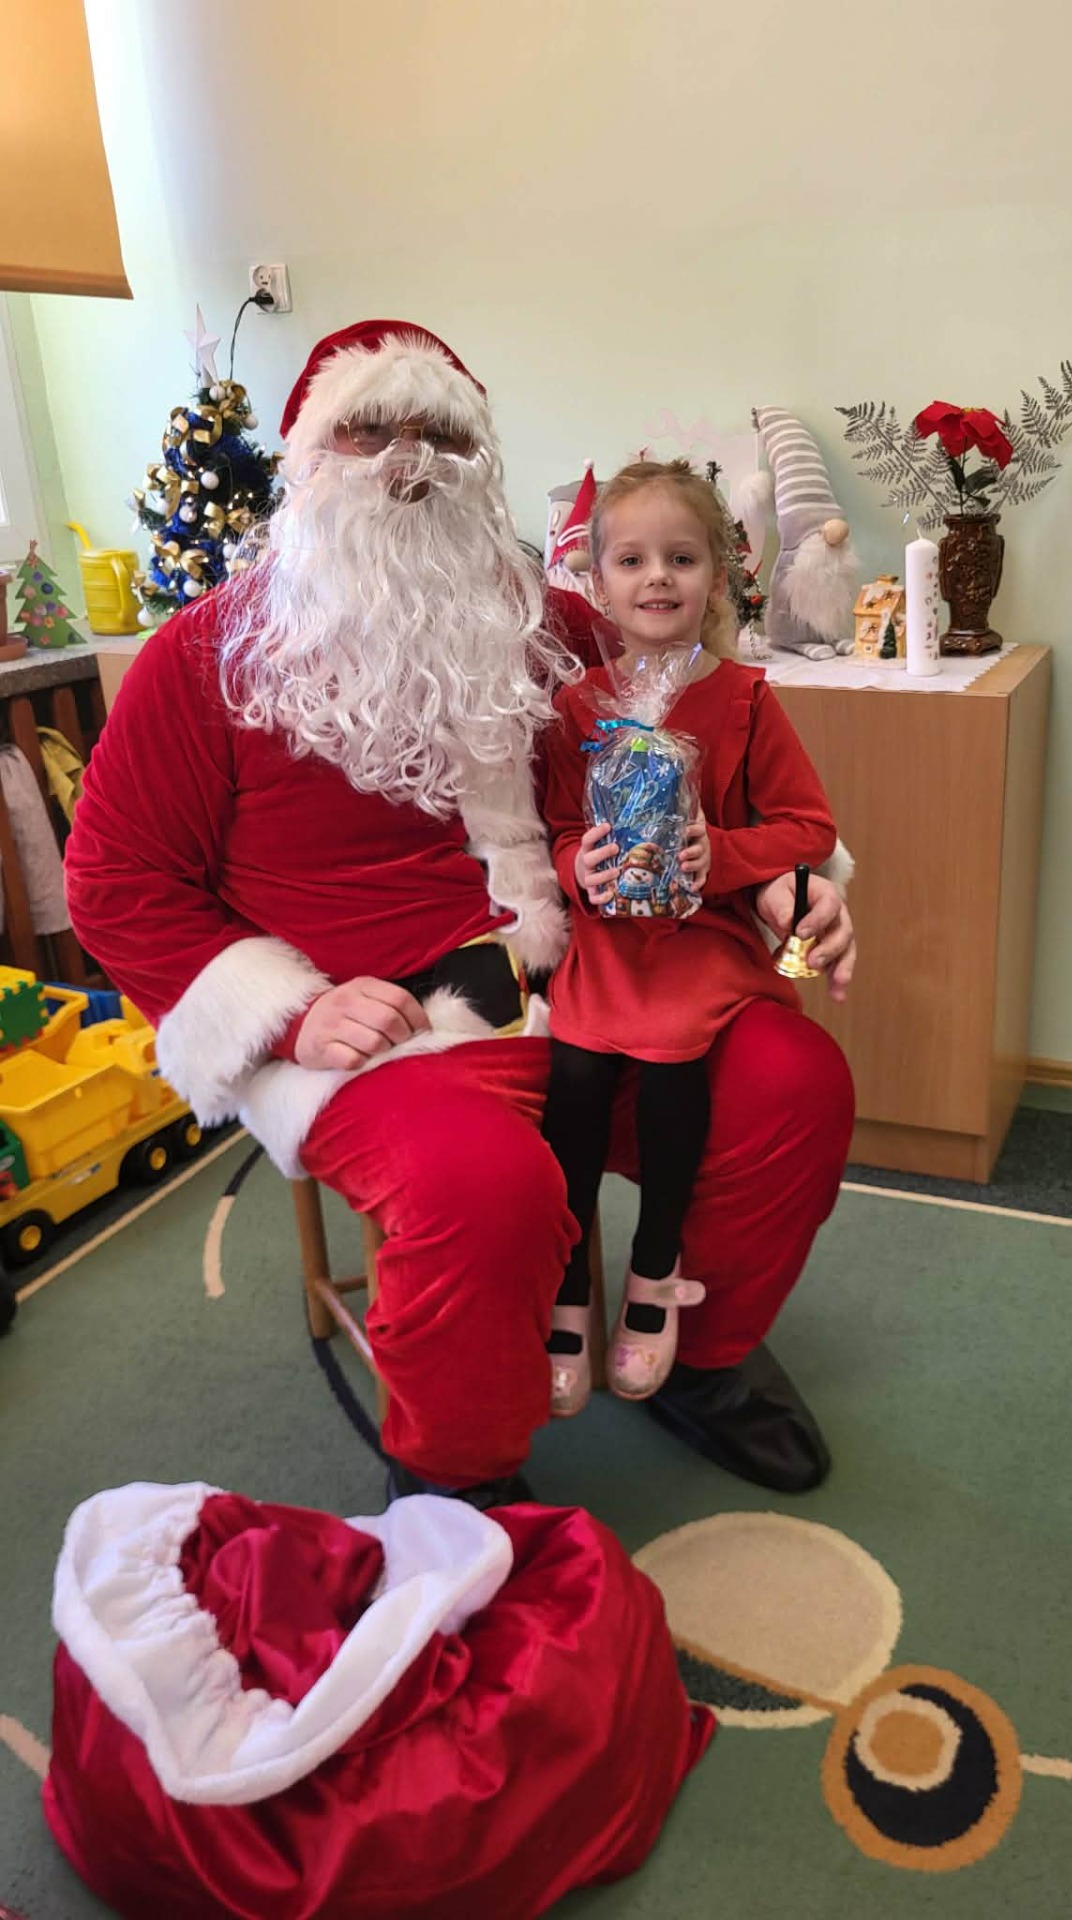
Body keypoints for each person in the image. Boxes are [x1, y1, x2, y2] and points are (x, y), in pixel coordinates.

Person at [64, 320, 856, 1510]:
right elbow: (115, 882)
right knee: (486, 1190)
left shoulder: (560, 626)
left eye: (440, 434)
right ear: (307, 459)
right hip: (388, 1030)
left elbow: (704, 773)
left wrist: (796, 879)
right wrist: (288, 1013)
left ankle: (705, 1357)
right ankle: (458, 1480)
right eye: (368, 430)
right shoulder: (204, 657)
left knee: (793, 1084)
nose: (408, 462)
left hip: (603, 984)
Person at [541, 462, 837, 1414]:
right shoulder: (579, 705)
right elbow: (557, 829)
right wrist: (578, 867)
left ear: (717, 576)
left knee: (673, 1063)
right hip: (605, 943)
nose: (658, 577)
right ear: (598, 583)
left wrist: (725, 855)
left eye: (681, 557)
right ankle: (565, 1283)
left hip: (700, 941)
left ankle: (654, 1269)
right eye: (631, 560)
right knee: (574, 1076)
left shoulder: (745, 698)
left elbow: (810, 828)